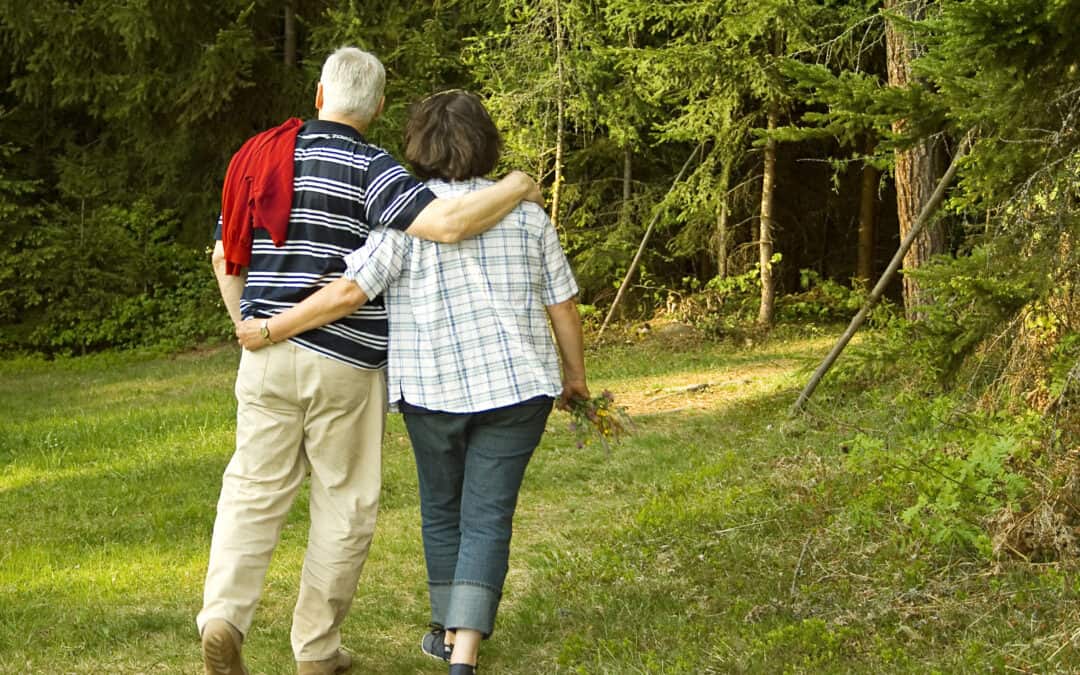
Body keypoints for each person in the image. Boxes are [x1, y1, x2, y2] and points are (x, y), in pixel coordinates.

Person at [200, 49, 542, 675]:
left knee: (251, 491)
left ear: (319, 93)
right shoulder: (372, 167)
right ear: (380, 106)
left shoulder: (258, 156)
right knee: (344, 503)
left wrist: (247, 327)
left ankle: (223, 616)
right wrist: (518, 185)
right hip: (344, 360)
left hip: (266, 353)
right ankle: (316, 652)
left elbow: (226, 256)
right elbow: (448, 225)